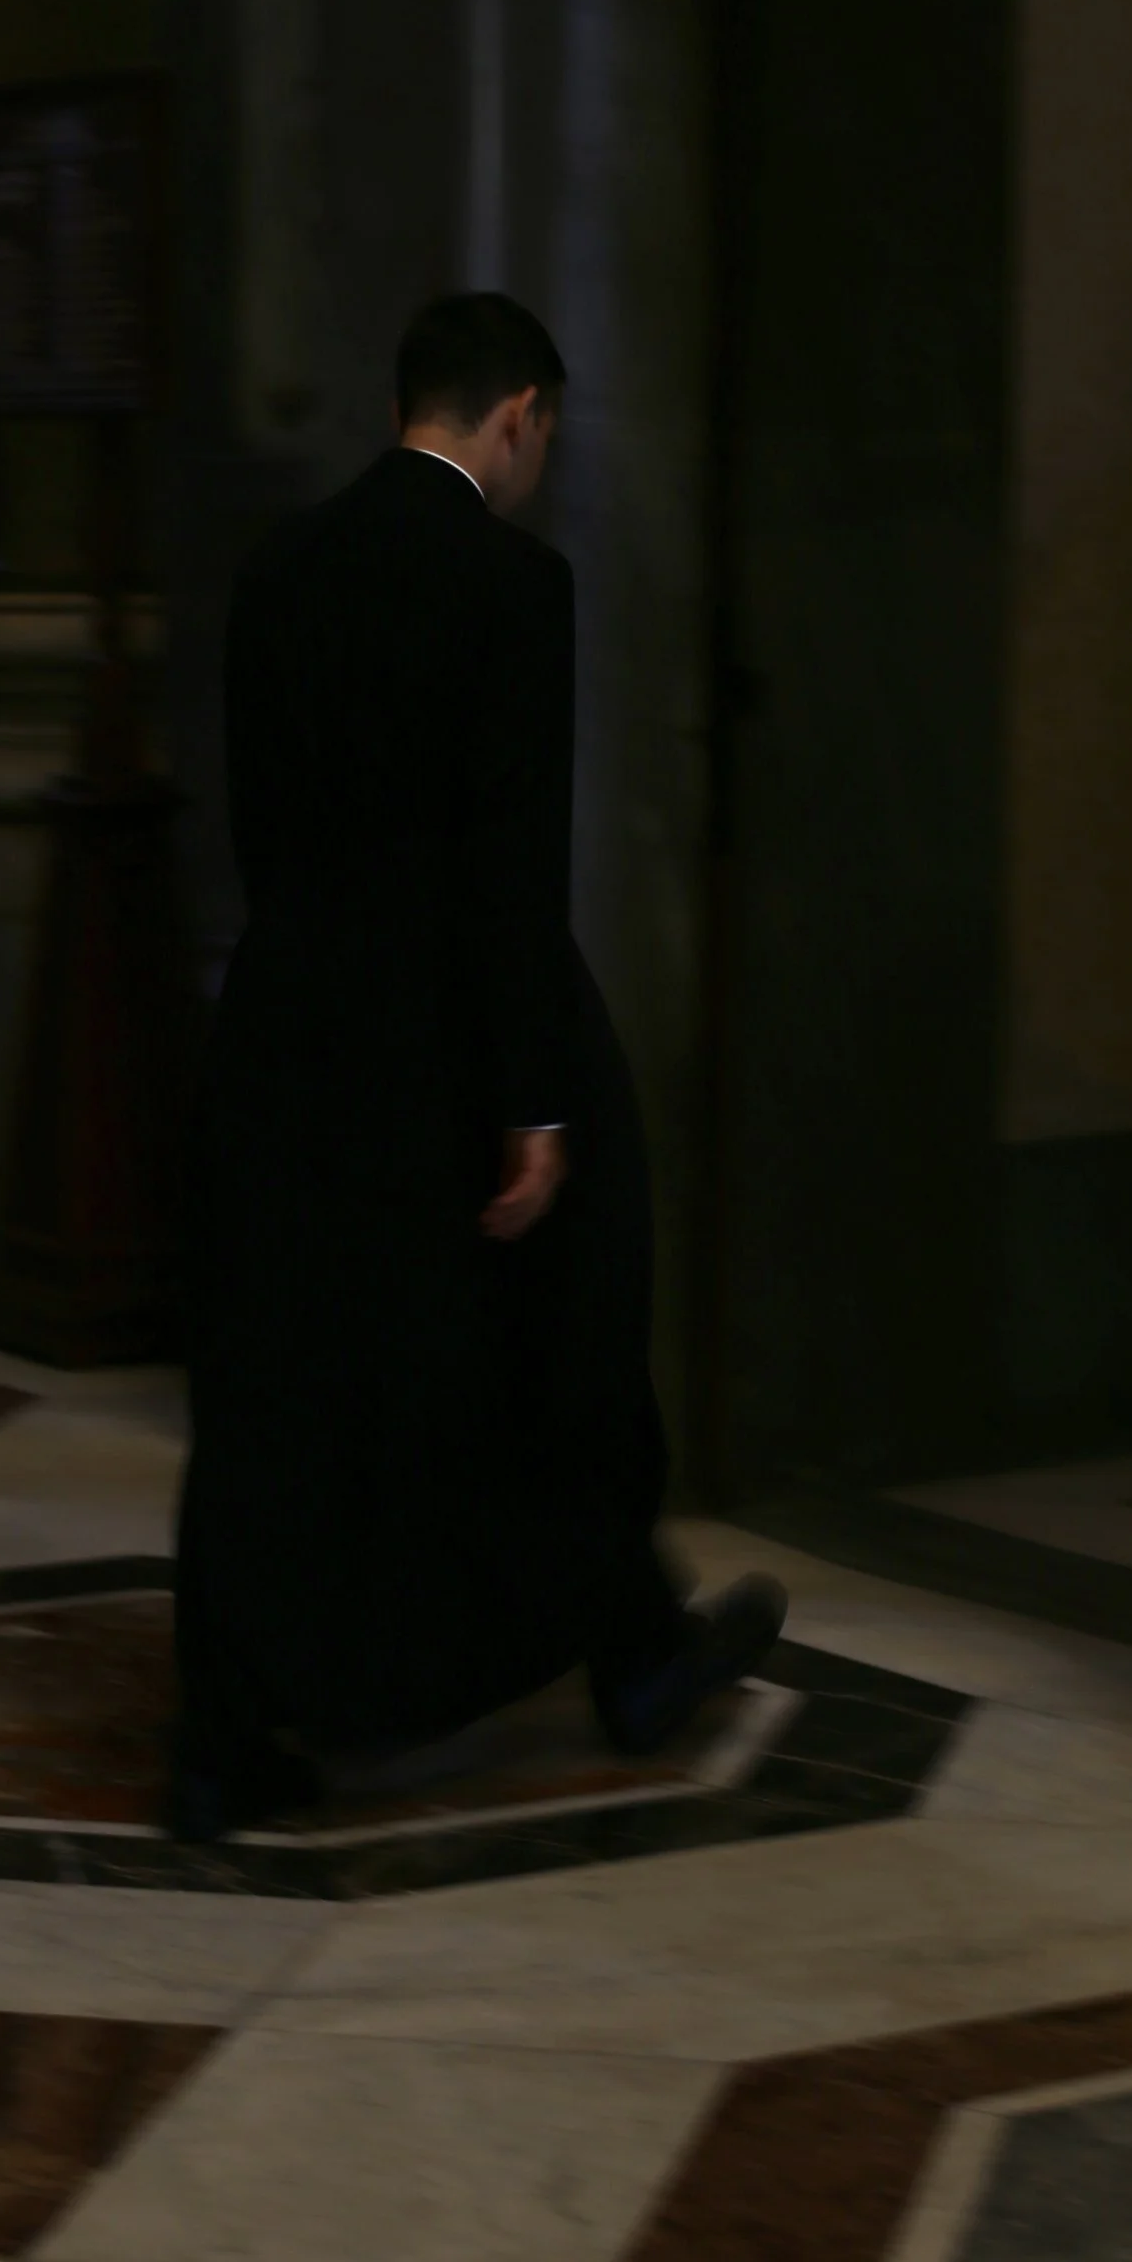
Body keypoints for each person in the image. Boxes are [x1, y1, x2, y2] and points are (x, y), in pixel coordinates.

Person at [171, 289, 785, 1839]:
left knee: (278, 1377)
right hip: (450, 1028)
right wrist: (532, 1098)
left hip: (290, 1012)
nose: (537, 464)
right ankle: (631, 1653)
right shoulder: (513, 584)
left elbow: (257, 819)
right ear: (517, 414)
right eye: (543, 437)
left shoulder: (279, 566)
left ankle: (226, 1735)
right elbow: (514, 858)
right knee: (568, 1325)